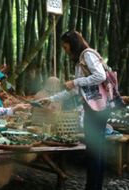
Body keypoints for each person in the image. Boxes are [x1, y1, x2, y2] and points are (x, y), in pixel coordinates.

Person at [39, 30, 110, 190]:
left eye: (65, 46)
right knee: (94, 150)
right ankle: (93, 186)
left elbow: (101, 76)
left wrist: (76, 81)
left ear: (73, 44)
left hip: (97, 108)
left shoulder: (87, 55)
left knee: (94, 150)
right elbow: (74, 90)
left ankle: (93, 187)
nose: (65, 50)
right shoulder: (81, 61)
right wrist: (50, 99)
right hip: (94, 107)